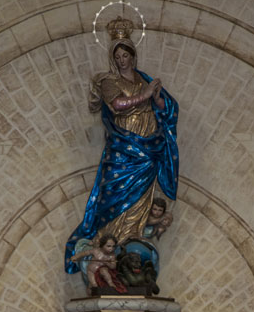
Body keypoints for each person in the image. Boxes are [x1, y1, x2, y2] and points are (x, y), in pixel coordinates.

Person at [64, 15, 179, 274]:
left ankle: (132, 241)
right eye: (117, 57)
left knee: (141, 197)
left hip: (147, 150)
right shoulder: (109, 81)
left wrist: (156, 98)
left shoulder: (143, 79)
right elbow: (117, 105)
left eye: (125, 56)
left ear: (133, 56)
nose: (121, 60)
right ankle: (110, 244)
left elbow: (165, 110)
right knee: (114, 194)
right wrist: (145, 95)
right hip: (122, 149)